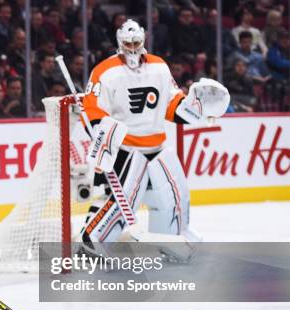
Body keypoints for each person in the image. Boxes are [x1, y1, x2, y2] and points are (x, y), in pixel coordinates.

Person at [78, 19, 228, 246]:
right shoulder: (104, 71)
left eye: (136, 42)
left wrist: (194, 110)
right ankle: (93, 241)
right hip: (125, 150)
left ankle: (172, 240)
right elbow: (92, 108)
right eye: (128, 43)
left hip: (156, 147)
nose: (132, 47)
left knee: (175, 194)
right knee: (122, 200)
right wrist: (104, 136)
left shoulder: (159, 66)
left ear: (143, 39)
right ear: (119, 41)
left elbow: (171, 103)